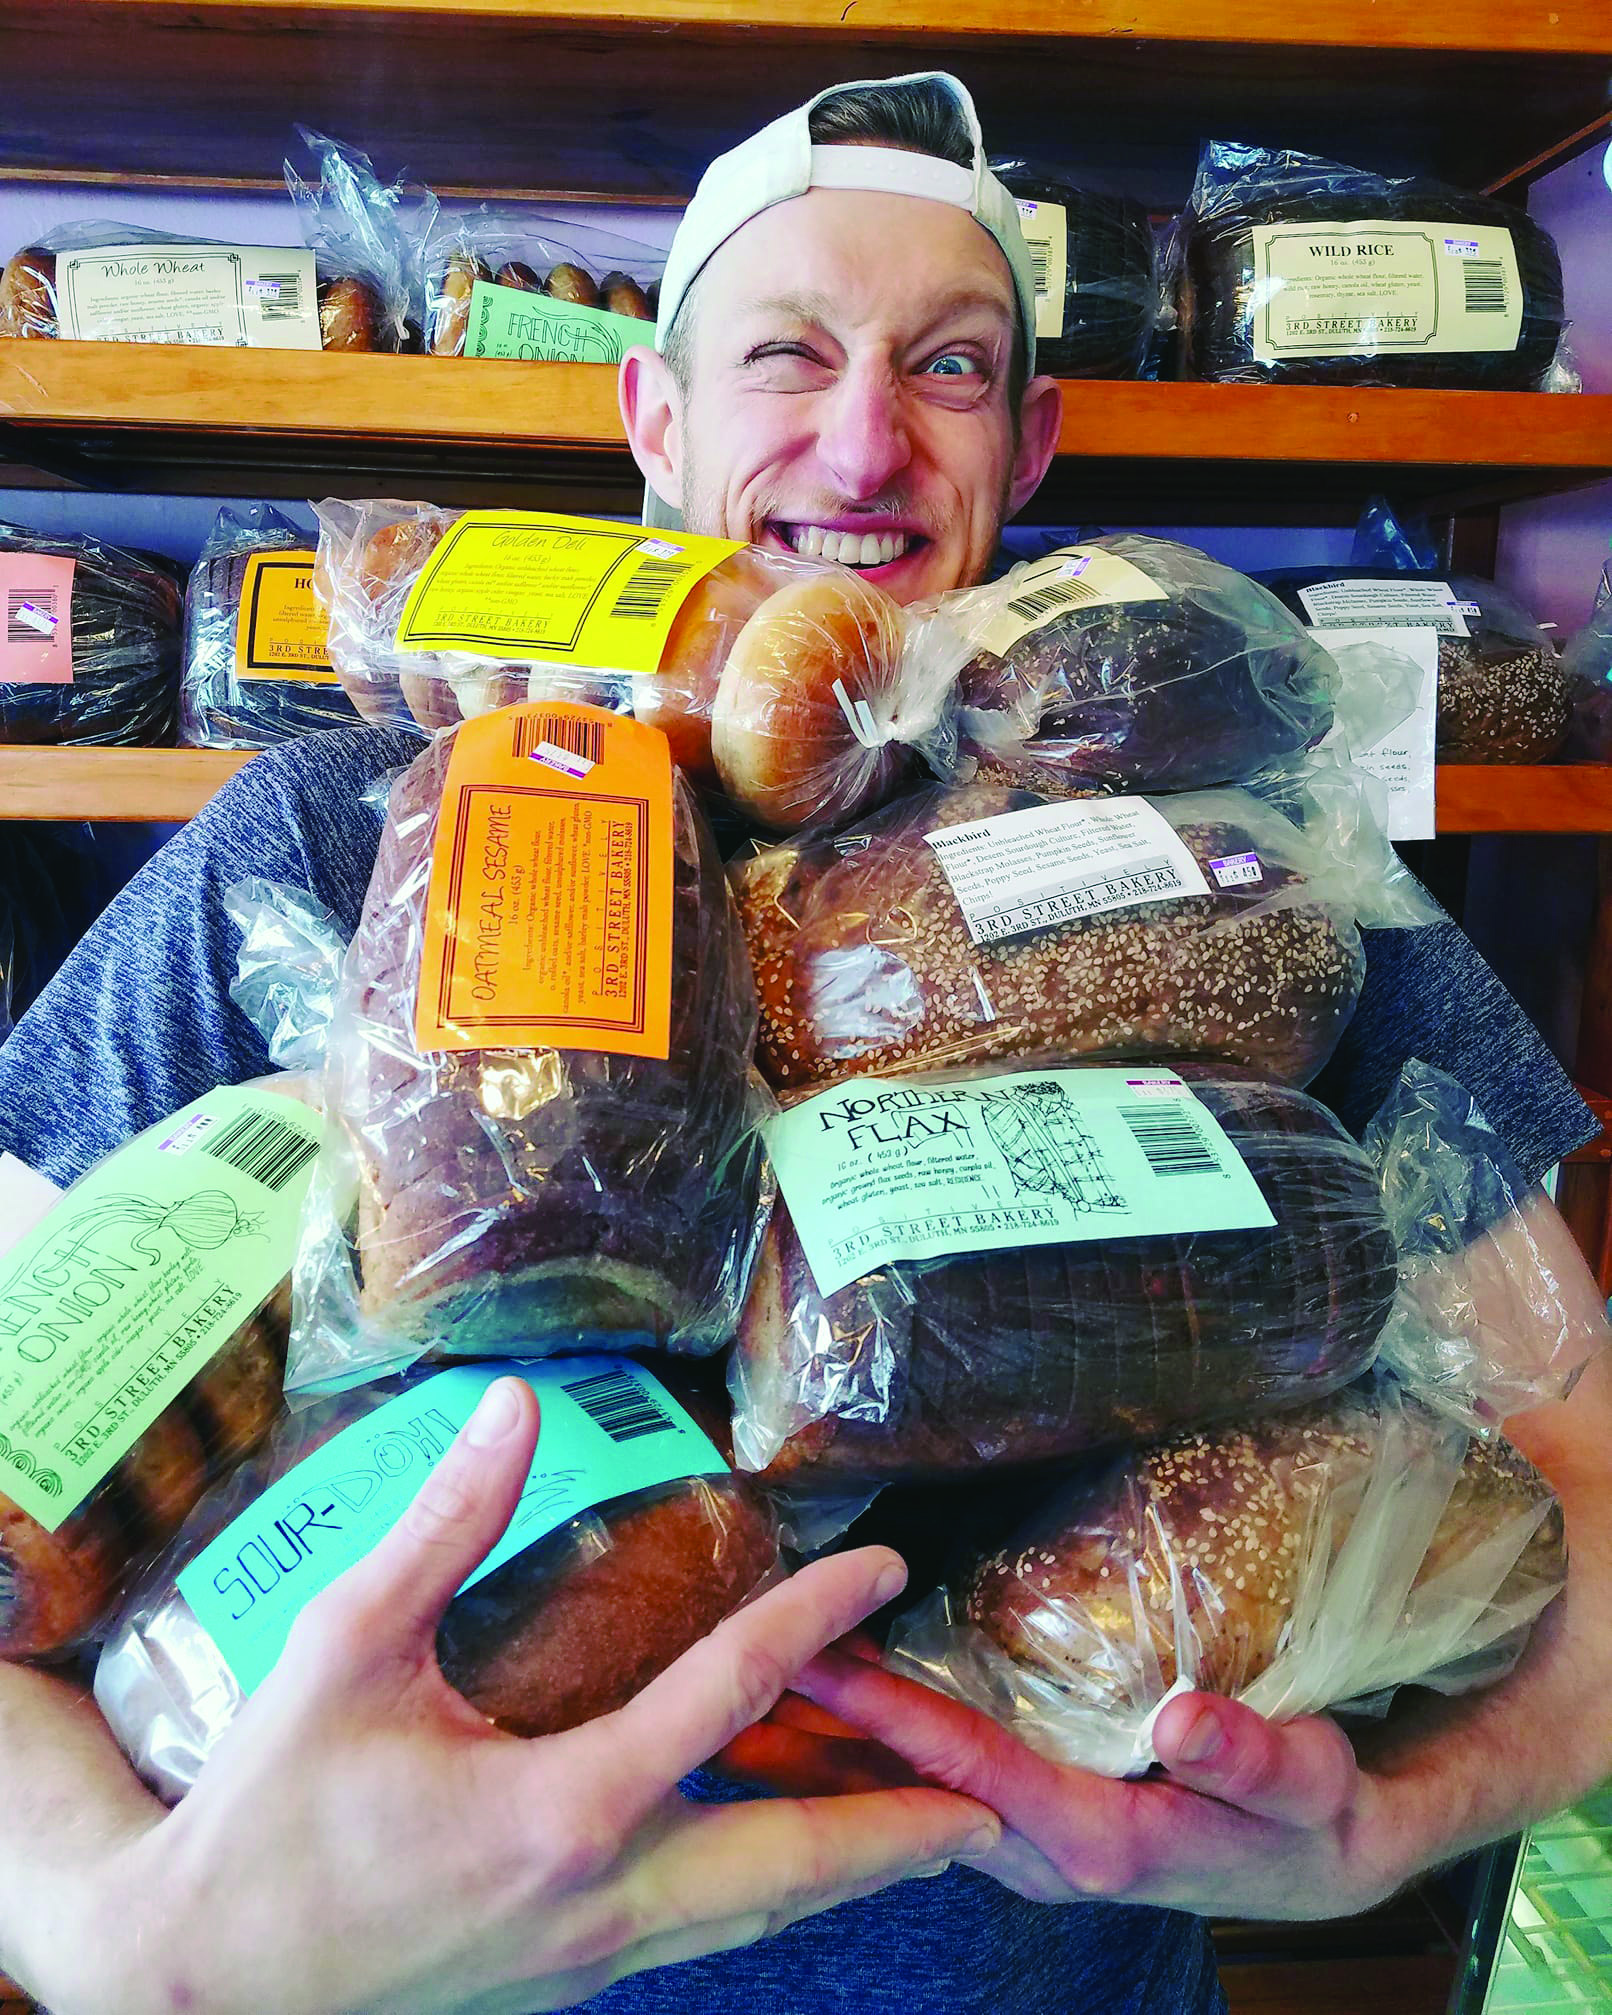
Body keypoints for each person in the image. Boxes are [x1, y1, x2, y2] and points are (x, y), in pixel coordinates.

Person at [0, 69, 1609, 2015]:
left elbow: (1575, 1471)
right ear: (652, 417)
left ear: (1030, 440)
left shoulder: (1244, 868)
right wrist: (112, 1921)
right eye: (786, 355)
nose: (860, 442)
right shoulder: (327, 838)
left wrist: (1397, 1814)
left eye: (944, 369)